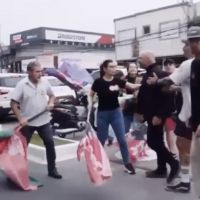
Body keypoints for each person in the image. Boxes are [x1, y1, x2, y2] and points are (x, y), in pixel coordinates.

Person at [147, 40, 193, 192]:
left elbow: (167, 80)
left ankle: (186, 181)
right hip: (189, 114)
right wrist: (178, 89)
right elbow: (191, 88)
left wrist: (156, 81)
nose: (183, 47)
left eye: (187, 44)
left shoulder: (188, 64)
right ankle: (185, 181)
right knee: (182, 146)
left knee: (183, 146)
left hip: (190, 115)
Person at [88, 59, 141, 174]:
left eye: (115, 67)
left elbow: (131, 86)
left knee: (122, 139)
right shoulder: (98, 82)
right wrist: (90, 103)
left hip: (116, 113)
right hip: (102, 114)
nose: (114, 69)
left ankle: (127, 164)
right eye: (111, 67)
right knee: (101, 140)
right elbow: (90, 94)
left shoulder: (117, 81)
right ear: (105, 68)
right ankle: (98, 163)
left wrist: (145, 84)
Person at [10, 61, 62, 179]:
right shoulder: (22, 85)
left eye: (41, 71)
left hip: (44, 120)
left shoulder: (45, 82)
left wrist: (51, 102)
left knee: (50, 143)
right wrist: (20, 118)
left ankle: (52, 170)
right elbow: (13, 104)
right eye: (37, 71)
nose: (40, 74)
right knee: (22, 148)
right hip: (27, 123)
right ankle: (18, 172)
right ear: (29, 72)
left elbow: (52, 95)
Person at [136, 52, 179, 184]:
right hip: (150, 114)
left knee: (153, 142)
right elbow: (144, 95)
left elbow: (168, 98)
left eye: (141, 58)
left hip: (156, 115)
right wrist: (140, 112)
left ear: (148, 59)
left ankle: (173, 163)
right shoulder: (148, 72)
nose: (139, 60)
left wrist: (160, 115)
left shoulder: (159, 74)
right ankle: (161, 169)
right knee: (158, 141)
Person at [187, 26, 200, 199]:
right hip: (196, 123)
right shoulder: (195, 63)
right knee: (196, 163)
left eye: (192, 42)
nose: (190, 46)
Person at [163, 59, 178, 156]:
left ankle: (173, 151)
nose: (168, 66)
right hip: (165, 109)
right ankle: (171, 151)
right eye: (166, 64)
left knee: (171, 131)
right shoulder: (162, 77)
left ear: (174, 66)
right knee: (169, 130)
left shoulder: (179, 77)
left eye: (170, 64)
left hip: (175, 109)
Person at [123, 63, 139, 134]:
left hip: (138, 107)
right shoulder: (123, 79)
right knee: (125, 130)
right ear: (128, 70)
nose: (133, 69)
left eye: (134, 67)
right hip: (126, 107)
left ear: (137, 69)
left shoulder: (141, 79)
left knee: (137, 131)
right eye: (131, 67)